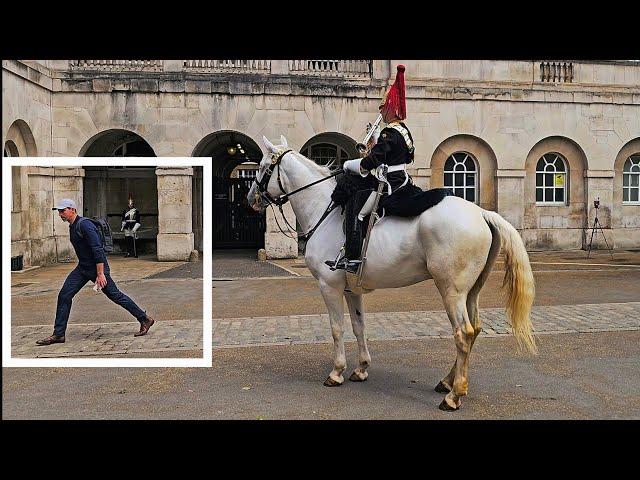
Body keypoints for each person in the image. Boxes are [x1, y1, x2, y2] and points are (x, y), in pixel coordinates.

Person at [326, 64, 418, 273]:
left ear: (391, 108)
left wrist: (350, 164)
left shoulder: (390, 133)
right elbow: (398, 156)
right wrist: (375, 145)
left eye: (383, 108)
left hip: (389, 183)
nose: (381, 112)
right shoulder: (403, 131)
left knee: (357, 211)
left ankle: (352, 258)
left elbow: (370, 164)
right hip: (401, 178)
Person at [35, 199, 155, 345]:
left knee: (115, 295)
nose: (61, 214)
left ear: (72, 209)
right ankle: (59, 334)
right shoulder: (73, 226)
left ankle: (144, 318)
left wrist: (100, 273)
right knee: (64, 295)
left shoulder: (85, 225)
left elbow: (97, 249)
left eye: (63, 210)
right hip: (83, 268)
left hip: (97, 268)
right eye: (59, 211)